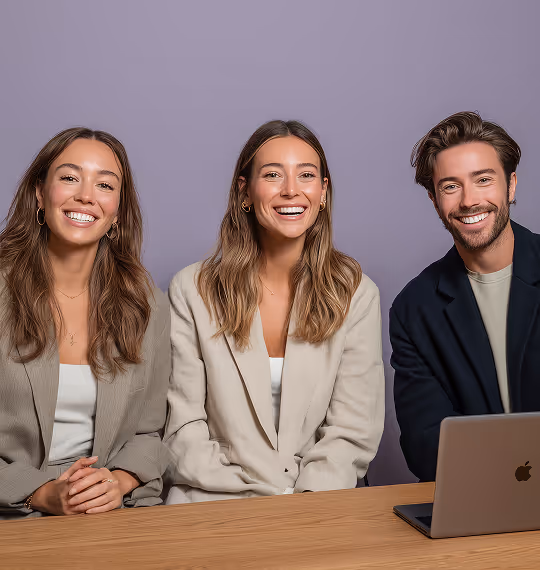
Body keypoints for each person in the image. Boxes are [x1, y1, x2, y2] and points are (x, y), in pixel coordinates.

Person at [165, 120, 384, 503]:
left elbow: (351, 432)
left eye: (306, 175)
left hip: (316, 502)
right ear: (245, 191)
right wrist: (270, 492)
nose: (290, 191)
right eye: (272, 175)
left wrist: (300, 501)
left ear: (323, 192)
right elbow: (182, 430)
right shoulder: (191, 290)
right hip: (210, 500)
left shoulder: (357, 295)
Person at [0, 128, 171, 518]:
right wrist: (41, 493)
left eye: (105, 185)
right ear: (40, 194)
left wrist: (118, 480)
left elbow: (151, 431)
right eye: (70, 177)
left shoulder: (146, 303)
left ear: (117, 212)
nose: (86, 196)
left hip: (113, 511)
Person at [391, 111, 540, 482]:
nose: (469, 200)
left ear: (511, 185)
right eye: (451, 186)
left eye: (484, 180)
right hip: (479, 500)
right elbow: (426, 446)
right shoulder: (414, 309)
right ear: (434, 199)